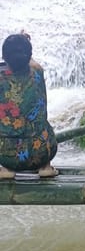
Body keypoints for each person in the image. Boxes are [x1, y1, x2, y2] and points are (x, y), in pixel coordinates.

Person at [0, 33, 58, 178]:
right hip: (41, 152)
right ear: (29, 55)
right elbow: (31, 63)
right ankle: (45, 167)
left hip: (4, 154)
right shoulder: (37, 72)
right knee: (41, 126)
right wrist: (24, 41)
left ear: (4, 57)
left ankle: (7, 169)